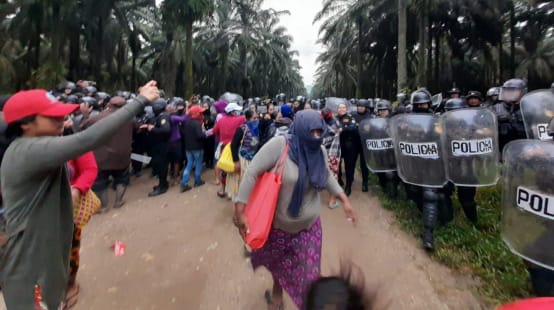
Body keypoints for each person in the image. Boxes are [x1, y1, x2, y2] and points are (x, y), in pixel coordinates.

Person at [0, 82, 158, 309]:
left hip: (45, 260)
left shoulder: (36, 146)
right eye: (52, 116)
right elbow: (87, 140)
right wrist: (139, 101)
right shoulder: (28, 151)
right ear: (26, 124)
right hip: (30, 266)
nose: (61, 120)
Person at [233, 110, 357, 310]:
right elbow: (253, 171)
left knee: (309, 276)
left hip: (309, 227)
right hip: (279, 226)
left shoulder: (320, 151)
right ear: (300, 130)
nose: (316, 137)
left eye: (319, 132)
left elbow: (325, 176)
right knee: (278, 264)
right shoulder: (280, 146)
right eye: (312, 132)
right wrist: (240, 208)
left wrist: (344, 199)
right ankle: (277, 293)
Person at [81, 96, 134, 212]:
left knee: (100, 182)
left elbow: (82, 128)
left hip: (102, 157)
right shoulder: (130, 118)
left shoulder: (97, 118)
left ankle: (104, 206)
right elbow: (138, 128)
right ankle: (118, 201)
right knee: (122, 179)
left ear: (109, 105)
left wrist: (85, 115)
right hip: (122, 156)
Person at [66, 151, 98, 308]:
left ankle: (70, 284)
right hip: (35, 214)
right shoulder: (19, 146)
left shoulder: (74, 142)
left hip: (69, 209)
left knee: (71, 248)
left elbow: (90, 168)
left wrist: (77, 189)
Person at [212, 102, 245, 198]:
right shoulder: (241, 119)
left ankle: (223, 189)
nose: (238, 112)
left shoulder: (221, 120)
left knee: (224, 170)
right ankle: (233, 192)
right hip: (235, 148)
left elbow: (214, 131)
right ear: (233, 112)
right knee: (235, 170)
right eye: (237, 111)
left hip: (224, 148)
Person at [227, 110, 260, 201]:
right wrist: (236, 161)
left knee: (248, 184)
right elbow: (233, 145)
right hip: (242, 159)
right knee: (239, 183)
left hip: (252, 160)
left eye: (257, 118)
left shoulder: (257, 129)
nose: (256, 120)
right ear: (248, 118)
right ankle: (236, 206)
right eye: (254, 118)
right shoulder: (241, 129)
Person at [142, 98, 172, 197]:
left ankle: (162, 187)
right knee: (159, 165)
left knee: (162, 166)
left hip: (163, 146)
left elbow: (166, 130)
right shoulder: (158, 116)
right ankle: (162, 184)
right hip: (158, 146)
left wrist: (153, 129)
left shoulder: (164, 117)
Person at [180, 105, 206, 192]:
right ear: (196, 114)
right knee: (198, 163)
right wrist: (205, 134)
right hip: (197, 147)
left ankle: (184, 183)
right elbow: (199, 136)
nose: (201, 114)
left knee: (189, 164)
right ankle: (197, 181)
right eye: (200, 112)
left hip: (188, 147)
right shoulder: (196, 123)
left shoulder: (186, 122)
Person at [336, 102, 359, 196]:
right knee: (337, 164)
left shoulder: (350, 117)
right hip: (337, 144)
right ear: (337, 109)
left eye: (343, 107)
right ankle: (339, 179)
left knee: (348, 166)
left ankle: (348, 186)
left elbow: (354, 128)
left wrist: (343, 129)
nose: (341, 109)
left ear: (346, 109)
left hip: (349, 144)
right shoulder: (335, 118)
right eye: (340, 108)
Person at [321, 108, 342, 209]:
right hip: (332, 153)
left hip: (321, 153)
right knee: (333, 176)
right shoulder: (336, 124)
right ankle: (332, 201)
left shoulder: (319, 124)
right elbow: (338, 132)